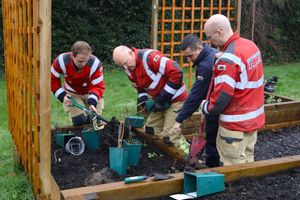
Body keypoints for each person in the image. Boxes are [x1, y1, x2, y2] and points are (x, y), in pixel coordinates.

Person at [201, 14, 265, 166]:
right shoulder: (250, 45)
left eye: (209, 37)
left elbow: (222, 97)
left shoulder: (227, 60)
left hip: (234, 126)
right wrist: (225, 56)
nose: (209, 42)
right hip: (252, 120)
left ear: (220, 31)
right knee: (248, 162)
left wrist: (205, 107)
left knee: (233, 168)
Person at [113, 45, 190, 154]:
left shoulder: (149, 58)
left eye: (125, 63)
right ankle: (164, 153)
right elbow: (140, 88)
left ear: (131, 53)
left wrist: (162, 98)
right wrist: (143, 101)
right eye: (122, 66)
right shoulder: (129, 69)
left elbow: (177, 72)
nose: (125, 67)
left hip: (176, 98)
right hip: (160, 100)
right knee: (150, 130)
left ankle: (189, 157)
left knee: (170, 137)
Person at [172, 34, 220, 167]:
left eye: (190, 55)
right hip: (218, 103)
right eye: (186, 56)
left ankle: (212, 169)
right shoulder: (212, 52)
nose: (189, 60)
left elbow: (196, 95)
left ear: (199, 48)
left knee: (212, 140)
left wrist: (179, 119)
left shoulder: (205, 65)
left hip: (215, 106)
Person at [51, 41, 106, 126]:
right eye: (80, 61)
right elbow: (52, 80)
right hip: (72, 94)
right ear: (72, 56)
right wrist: (62, 96)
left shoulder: (95, 64)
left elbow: (98, 86)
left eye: (86, 61)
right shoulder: (61, 61)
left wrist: (92, 102)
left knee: (95, 121)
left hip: (90, 92)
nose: (84, 64)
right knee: (78, 121)